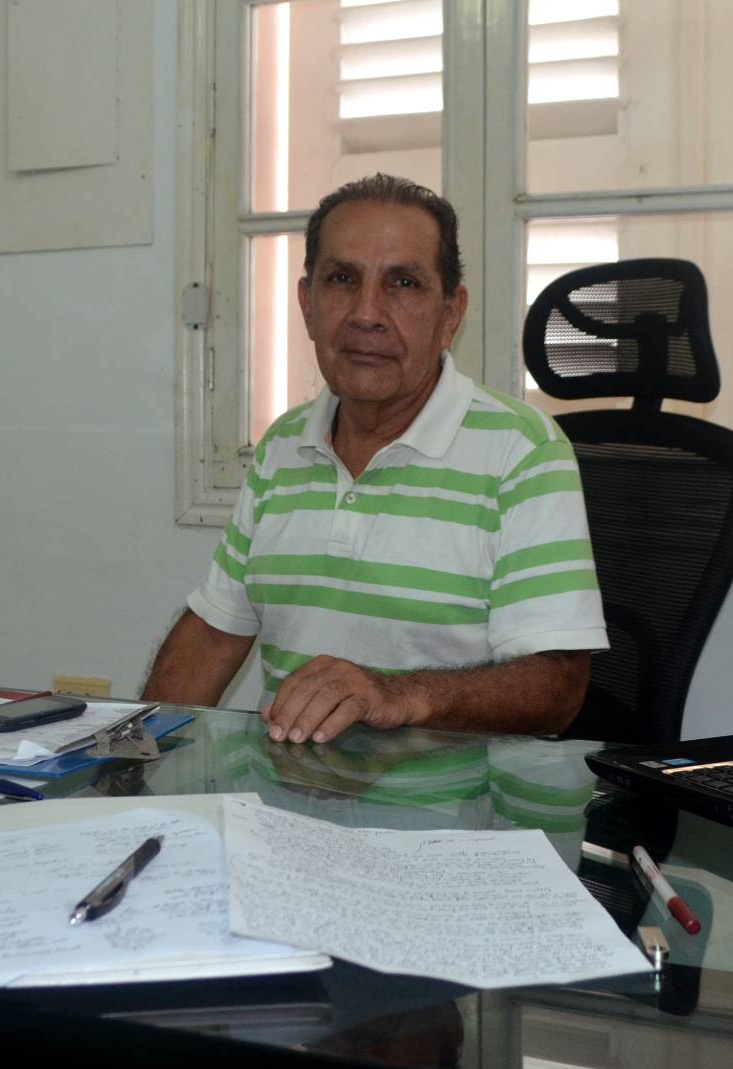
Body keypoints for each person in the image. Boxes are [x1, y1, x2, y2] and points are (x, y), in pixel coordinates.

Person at [142, 174, 607, 743]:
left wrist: (400, 695)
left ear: (450, 313)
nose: (366, 313)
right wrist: (133, 757)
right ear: (307, 304)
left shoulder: (523, 451)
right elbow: (215, 633)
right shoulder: (283, 446)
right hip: (286, 802)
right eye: (342, 279)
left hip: (453, 817)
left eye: (403, 283)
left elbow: (556, 688)